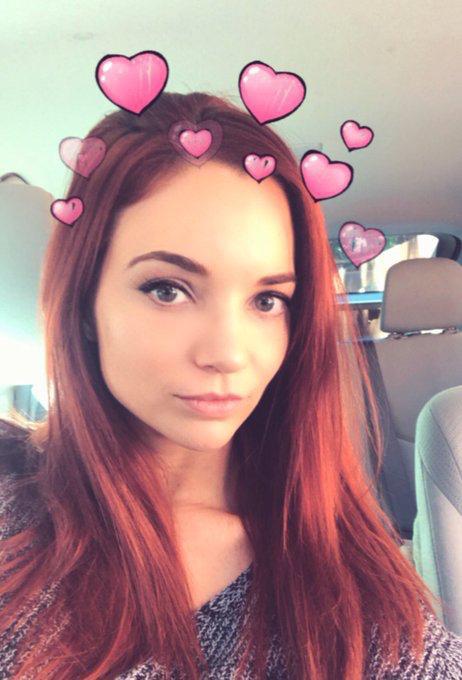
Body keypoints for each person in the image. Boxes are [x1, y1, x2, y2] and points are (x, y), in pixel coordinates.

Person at [1, 91, 461, 679]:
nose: (228, 354)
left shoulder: (352, 596)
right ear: (84, 300)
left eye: (267, 300)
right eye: (167, 289)